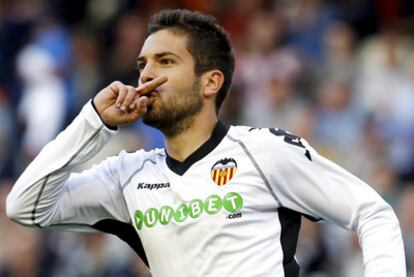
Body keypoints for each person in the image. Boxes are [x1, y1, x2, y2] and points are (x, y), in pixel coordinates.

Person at [6, 9, 406, 277]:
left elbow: (372, 211)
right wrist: (91, 121)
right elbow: (24, 206)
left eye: (165, 61)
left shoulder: (263, 150)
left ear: (210, 82)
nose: (145, 76)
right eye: (142, 65)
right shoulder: (126, 176)